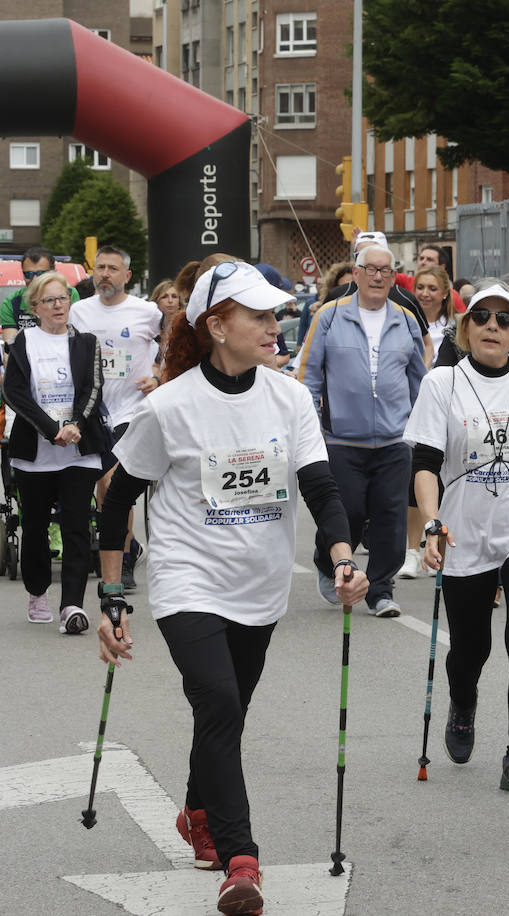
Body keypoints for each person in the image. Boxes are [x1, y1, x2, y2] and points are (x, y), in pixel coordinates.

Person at [94, 260, 367, 916]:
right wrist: (109, 596)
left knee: (227, 711)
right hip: (187, 579)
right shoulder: (170, 407)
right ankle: (241, 860)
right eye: (261, 316)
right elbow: (117, 498)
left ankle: (197, 809)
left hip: (260, 582)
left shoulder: (291, 398)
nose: (277, 326)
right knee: (218, 703)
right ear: (217, 326)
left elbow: (320, 488)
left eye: (277, 315)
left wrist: (340, 555)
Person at [406, 283, 509, 792]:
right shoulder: (442, 384)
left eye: (505, 320)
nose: (493, 327)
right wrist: (432, 524)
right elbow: (425, 463)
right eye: (482, 317)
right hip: (464, 525)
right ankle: (463, 700)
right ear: (466, 327)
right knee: (470, 647)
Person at [296, 244, 426, 617]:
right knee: (348, 510)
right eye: (370, 269)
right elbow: (308, 376)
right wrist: (312, 429)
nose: (378, 276)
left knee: (390, 515)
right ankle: (328, 561)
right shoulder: (329, 316)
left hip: (393, 439)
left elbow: (420, 381)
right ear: (355, 274)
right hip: (341, 439)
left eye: (386, 270)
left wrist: (422, 429)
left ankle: (381, 589)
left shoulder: (405, 319)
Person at [3, 271, 104, 632]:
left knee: (78, 525)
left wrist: (75, 424)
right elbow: (14, 393)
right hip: (36, 453)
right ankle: (37, 591)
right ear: (36, 307)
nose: (58, 305)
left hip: (79, 451)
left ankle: (72, 606)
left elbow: (93, 389)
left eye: (63, 298)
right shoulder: (22, 344)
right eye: (49, 300)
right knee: (34, 527)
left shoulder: (86, 343)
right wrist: (50, 430)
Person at [70, 245, 163, 590]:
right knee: (100, 487)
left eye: (112, 268)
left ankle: (122, 561)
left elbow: (171, 343)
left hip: (130, 411)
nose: (105, 273)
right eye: (100, 267)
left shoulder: (147, 311)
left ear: (127, 275)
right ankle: (127, 543)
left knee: (112, 484)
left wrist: (158, 376)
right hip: (90, 411)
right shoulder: (79, 311)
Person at [397, 265, 458, 580]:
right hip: (414, 411)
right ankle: (411, 551)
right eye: (420, 287)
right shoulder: (405, 323)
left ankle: (440, 552)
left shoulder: (457, 327)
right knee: (415, 481)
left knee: (447, 484)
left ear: (445, 292)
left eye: (432, 288)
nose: (424, 293)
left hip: (451, 414)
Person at [2, 246, 79, 343]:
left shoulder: (70, 294)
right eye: (29, 274)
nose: (35, 279)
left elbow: (76, 336)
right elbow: (11, 349)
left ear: (53, 272)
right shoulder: (11, 303)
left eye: (41, 274)